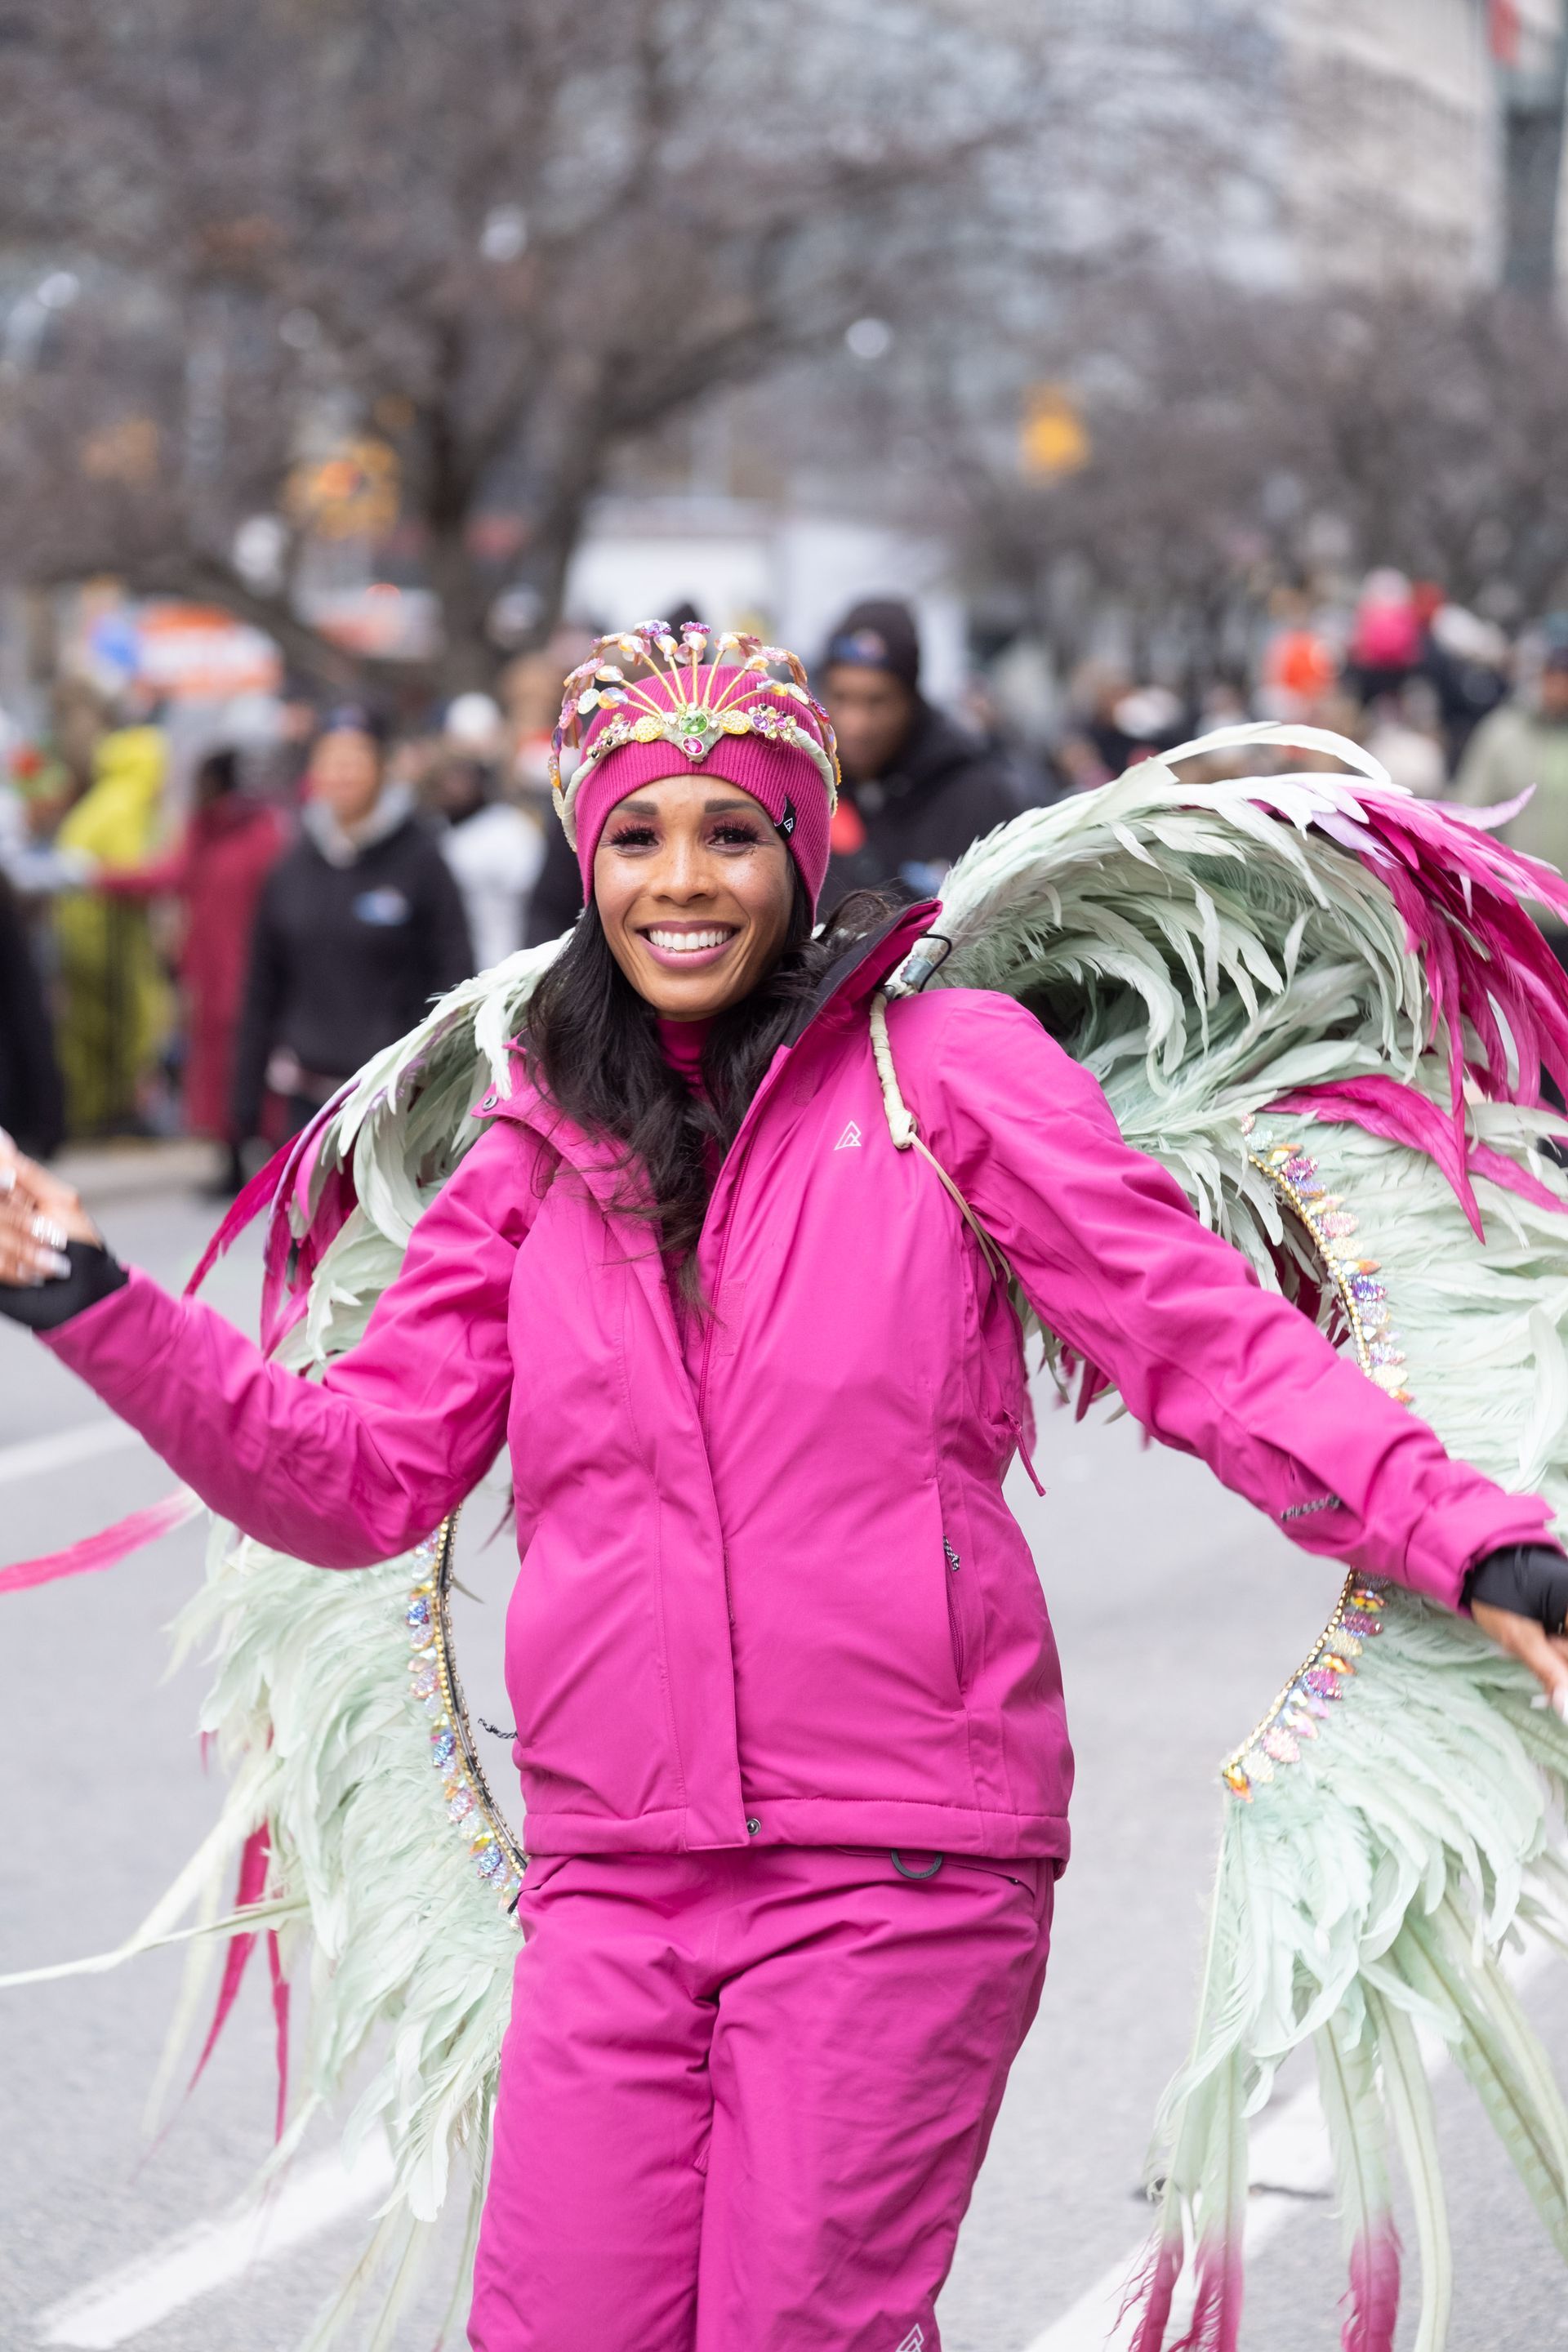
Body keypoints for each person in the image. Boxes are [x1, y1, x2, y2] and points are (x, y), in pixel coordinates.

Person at [2, 623, 1566, 2352]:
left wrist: (1472, 1537)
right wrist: (96, 1305)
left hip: (901, 1864)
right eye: (639, 836)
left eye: (732, 833)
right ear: (585, 858)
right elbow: (357, 1477)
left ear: (802, 847)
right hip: (612, 1872)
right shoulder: (537, 1142)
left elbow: (1202, 1345)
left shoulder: (946, 1071)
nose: (686, 882)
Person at [231, 707, 473, 1141]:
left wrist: (444, 1080)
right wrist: (244, 1101)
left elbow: (456, 972)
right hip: (307, 1105)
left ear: (381, 767)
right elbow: (262, 985)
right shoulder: (292, 867)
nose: (342, 773)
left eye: (355, 759)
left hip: (398, 1103)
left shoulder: (421, 860)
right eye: (330, 759)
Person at [98, 749, 287, 1194]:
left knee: (258, 1067)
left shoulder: (261, 836)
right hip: (208, 975)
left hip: (253, 974)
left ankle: (277, 1165)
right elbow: (169, 876)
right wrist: (102, 879)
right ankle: (234, 1162)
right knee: (217, 1072)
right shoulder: (207, 833)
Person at [816, 596, 1020, 902]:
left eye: (877, 701)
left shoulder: (980, 797)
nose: (856, 725)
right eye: (842, 698)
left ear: (911, 701)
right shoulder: (805, 790)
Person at [51, 712, 172, 1136]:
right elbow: (131, 874)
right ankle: (111, 1116)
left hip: (83, 934)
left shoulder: (103, 798)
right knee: (124, 1025)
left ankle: (91, 1114)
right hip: (109, 941)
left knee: (86, 1029)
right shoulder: (128, 803)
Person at [1454, 620, 1568, 964]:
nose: (1559, 683)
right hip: (1518, 916)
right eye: (1554, 670)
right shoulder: (1504, 734)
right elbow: (1468, 814)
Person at [434, 754, 546, 970]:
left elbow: (536, 897)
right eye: (448, 779)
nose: (453, 787)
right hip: (454, 963)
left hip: (505, 961)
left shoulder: (509, 827)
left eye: (462, 779)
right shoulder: (436, 831)